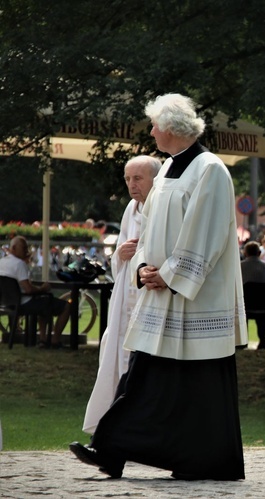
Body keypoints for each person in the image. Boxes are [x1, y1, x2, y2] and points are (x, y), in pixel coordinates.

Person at [70, 93, 247, 480]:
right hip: (161, 290)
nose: (150, 131)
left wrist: (170, 273)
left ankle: (204, 460)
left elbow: (208, 232)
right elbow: (148, 228)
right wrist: (143, 269)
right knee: (144, 373)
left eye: (154, 125)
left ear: (171, 128)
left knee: (197, 384)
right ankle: (112, 448)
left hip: (194, 297)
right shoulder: (166, 169)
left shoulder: (209, 169)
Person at [82, 155, 161, 434]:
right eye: (128, 179)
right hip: (125, 299)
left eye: (137, 178)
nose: (131, 185)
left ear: (155, 178)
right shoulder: (131, 208)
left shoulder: (164, 206)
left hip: (151, 297)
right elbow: (120, 259)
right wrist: (121, 254)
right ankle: (113, 427)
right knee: (116, 355)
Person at [0, 236, 70, 348]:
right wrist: (43, 288)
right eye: (23, 248)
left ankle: (43, 339)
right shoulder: (19, 264)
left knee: (44, 301)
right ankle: (55, 340)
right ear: (13, 248)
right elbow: (28, 289)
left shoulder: (1, 263)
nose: (26, 251)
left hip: (6, 303)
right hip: (23, 303)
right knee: (65, 306)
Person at [241, 241, 265, 349]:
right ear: (259, 253)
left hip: (245, 307)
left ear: (245, 253)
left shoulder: (239, 267)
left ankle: (241, 342)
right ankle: (264, 340)